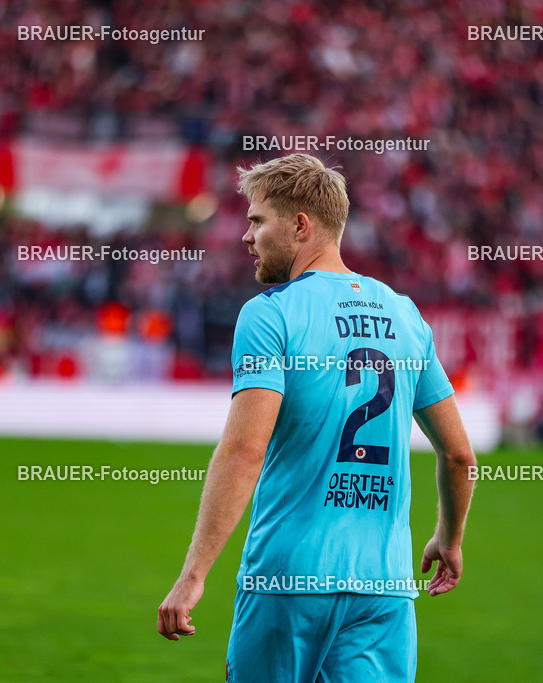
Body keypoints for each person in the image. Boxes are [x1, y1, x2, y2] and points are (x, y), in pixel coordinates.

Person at [157, 154, 476, 682]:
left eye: (257, 220)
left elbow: (244, 451)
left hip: (287, 579)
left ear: (300, 225)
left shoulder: (271, 313)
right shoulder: (405, 314)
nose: (246, 236)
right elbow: (460, 455)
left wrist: (194, 575)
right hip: (384, 587)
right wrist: (450, 536)